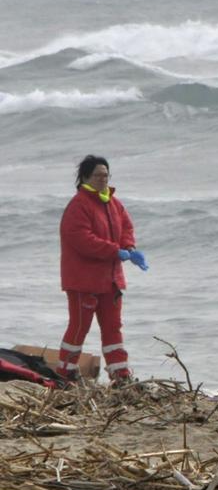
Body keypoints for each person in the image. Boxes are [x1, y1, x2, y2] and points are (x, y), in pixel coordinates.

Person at [57, 155, 148, 383]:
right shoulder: (78, 205)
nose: (103, 179)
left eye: (106, 175)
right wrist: (114, 251)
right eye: (98, 175)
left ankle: (120, 375)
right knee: (79, 328)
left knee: (113, 328)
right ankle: (65, 372)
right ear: (86, 177)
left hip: (111, 281)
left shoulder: (114, 203)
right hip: (83, 281)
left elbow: (126, 227)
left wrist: (130, 247)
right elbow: (81, 239)